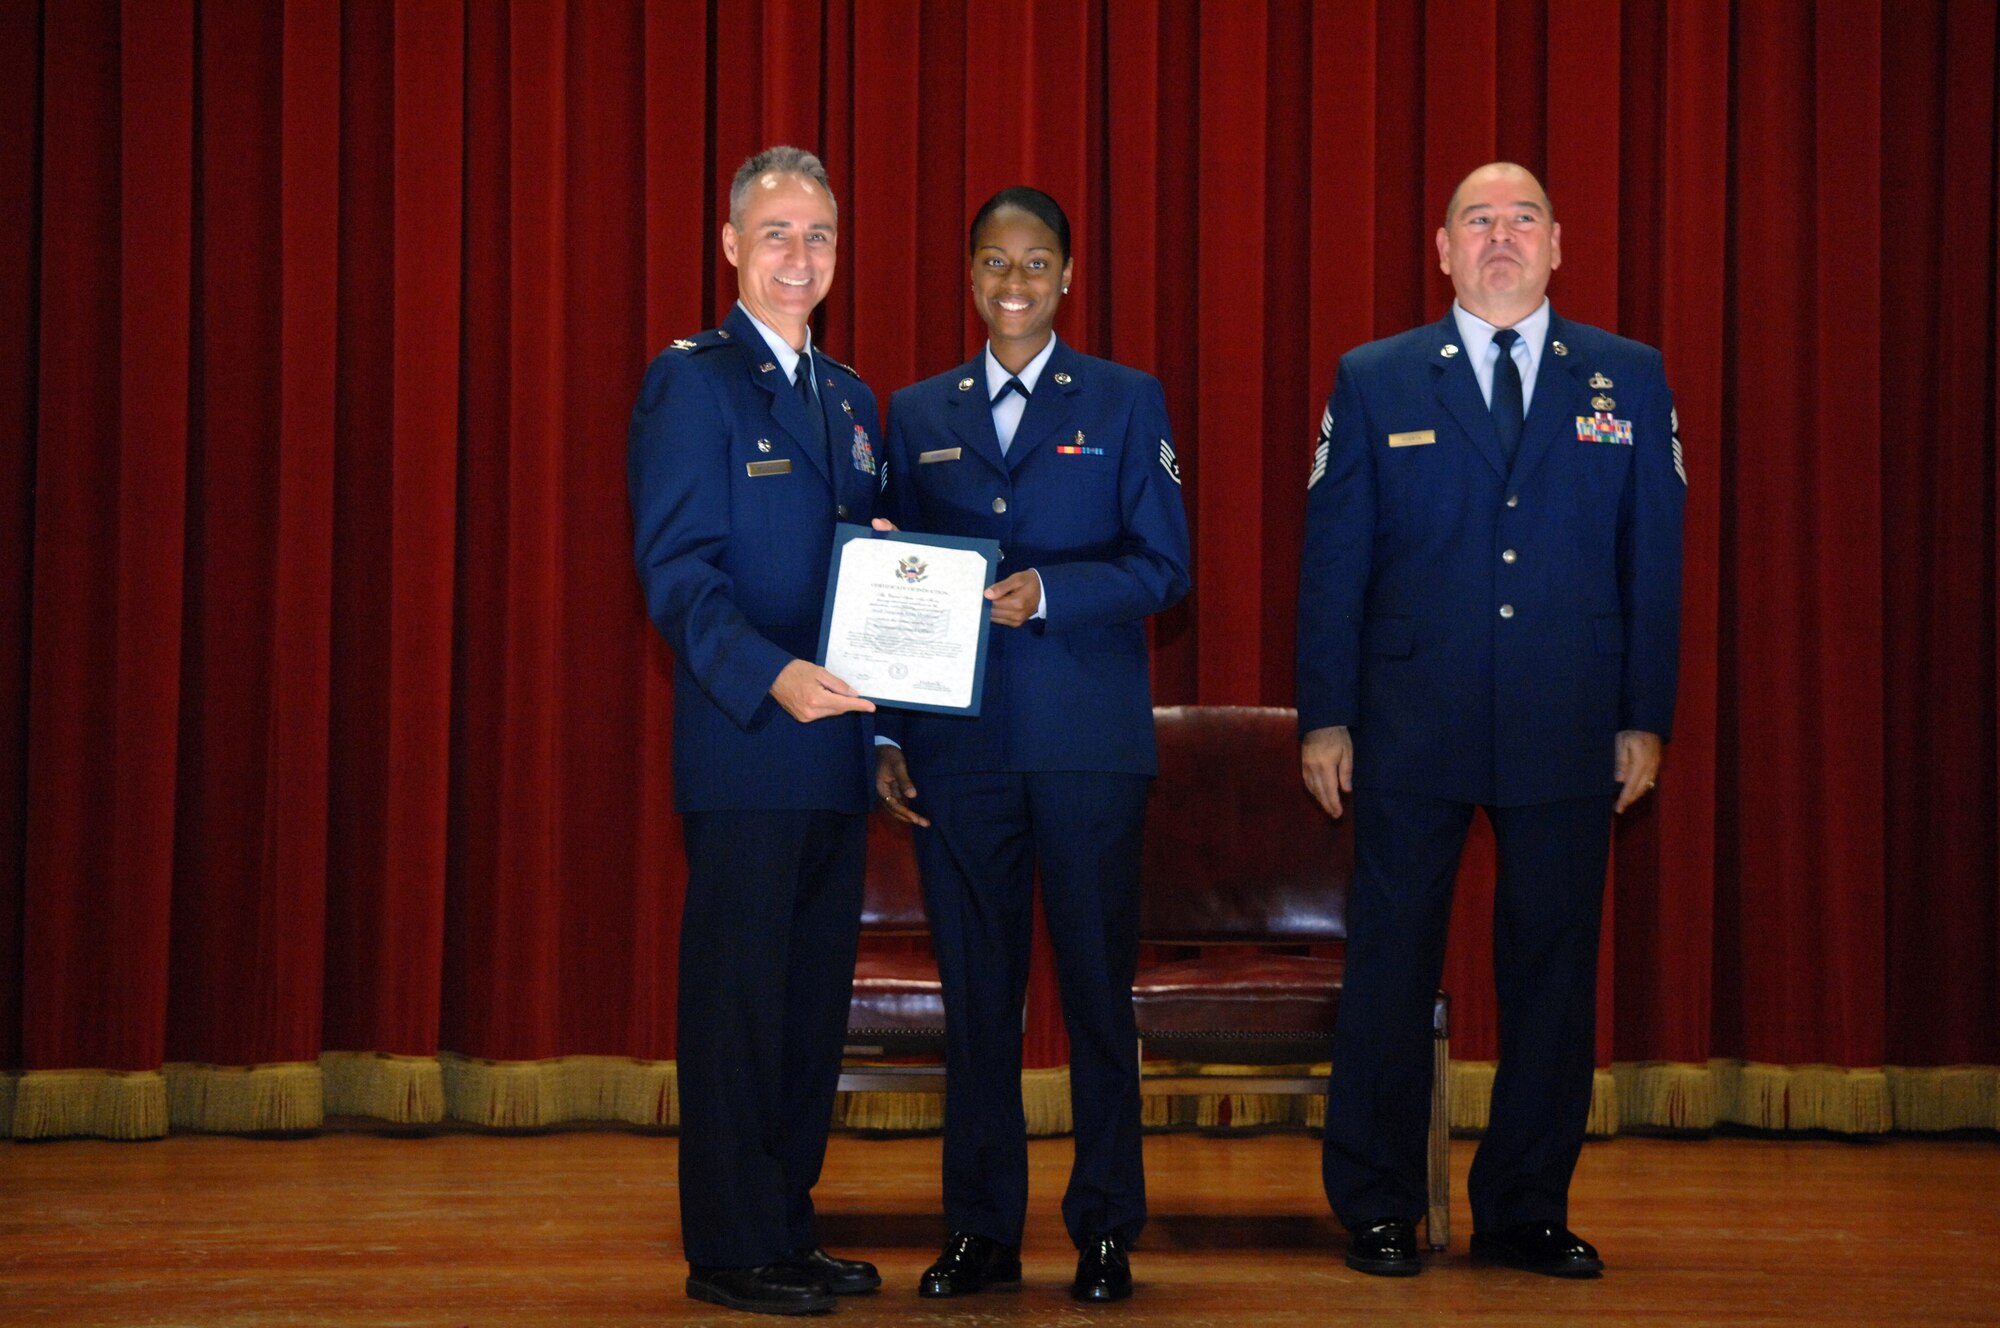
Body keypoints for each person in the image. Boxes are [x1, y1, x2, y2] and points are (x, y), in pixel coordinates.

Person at [1296, 162, 1686, 1279]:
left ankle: (1524, 1205)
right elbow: (1332, 564)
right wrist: (1325, 715)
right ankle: (1378, 1202)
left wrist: (1644, 715)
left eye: (1523, 220)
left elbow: (1653, 560)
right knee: (1389, 966)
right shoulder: (1375, 378)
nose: (1500, 237)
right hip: (1407, 719)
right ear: (1442, 248)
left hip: (1569, 717)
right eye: (1478, 221)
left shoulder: (1626, 376)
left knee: (1552, 973)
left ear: (1558, 244)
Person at [874, 186, 1191, 1304]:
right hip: (958, 754)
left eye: (1036, 262)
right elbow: (889, 580)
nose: (1015, 282)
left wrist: (1052, 591)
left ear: (1066, 278)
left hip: (1087, 749)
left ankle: (1105, 1228)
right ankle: (981, 1231)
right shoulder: (916, 411)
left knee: (1098, 996)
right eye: (995, 263)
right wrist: (886, 729)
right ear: (969, 276)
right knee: (977, 1002)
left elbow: (1164, 566)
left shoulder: (1125, 399)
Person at [627, 145, 888, 1317]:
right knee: (737, 1003)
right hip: (746, 739)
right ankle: (730, 1244)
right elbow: (677, 573)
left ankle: (786, 1221)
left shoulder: (851, 398)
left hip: (834, 751)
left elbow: (864, 575)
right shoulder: (692, 382)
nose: (798, 255)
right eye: (776, 232)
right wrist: (771, 674)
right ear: (731, 245)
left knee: (808, 1006)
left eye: (817, 235)